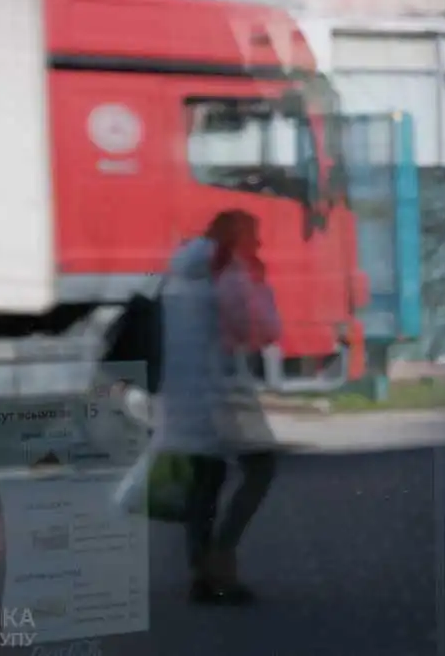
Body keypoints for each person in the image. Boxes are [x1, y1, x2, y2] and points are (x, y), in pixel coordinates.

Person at [152, 209, 281, 604]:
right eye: (253, 235)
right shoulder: (231, 275)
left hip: (183, 394)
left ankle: (201, 574)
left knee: (205, 481)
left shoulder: (177, 274)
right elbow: (262, 332)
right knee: (261, 466)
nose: (258, 243)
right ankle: (221, 558)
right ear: (237, 238)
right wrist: (261, 284)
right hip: (224, 393)